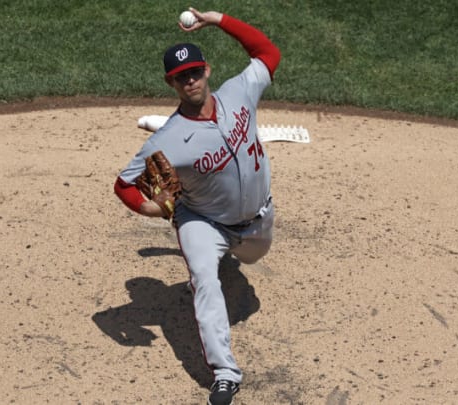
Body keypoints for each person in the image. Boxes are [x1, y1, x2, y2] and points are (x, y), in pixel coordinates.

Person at [112, 7, 281, 405]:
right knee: (205, 278)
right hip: (202, 219)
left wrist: (219, 19)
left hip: (258, 222)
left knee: (251, 260)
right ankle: (225, 374)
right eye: (180, 77)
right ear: (171, 83)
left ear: (207, 72)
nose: (189, 80)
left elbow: (268, 53)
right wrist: (158, 211)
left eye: (195, 72)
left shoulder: (239, 92)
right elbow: (124, 185)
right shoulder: (164, 143)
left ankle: (233, 252)